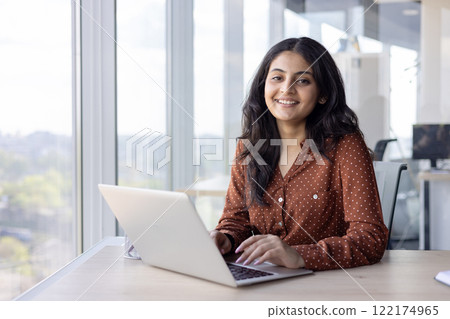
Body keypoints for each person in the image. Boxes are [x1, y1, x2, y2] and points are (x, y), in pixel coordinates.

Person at [209, 37, 388, 271]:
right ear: (264, 86)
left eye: (303, 80)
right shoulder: (250, 147)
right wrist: (225, 238)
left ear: (322, 94)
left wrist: (300, 256)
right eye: (277, 77)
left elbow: (370, 238)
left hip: (327, 284)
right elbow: (236, 220)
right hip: (262, 277)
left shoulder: (346, 146)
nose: (286, 89)